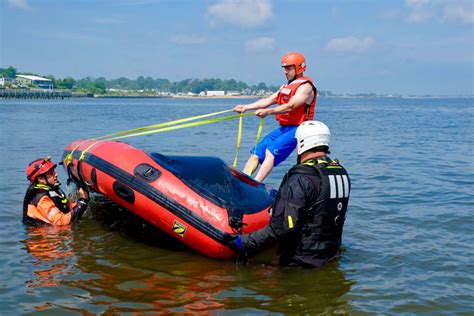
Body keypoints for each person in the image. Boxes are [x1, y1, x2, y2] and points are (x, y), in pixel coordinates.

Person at [227, 121, 351, 268]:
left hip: (301, 261)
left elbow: (281, 227)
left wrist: (242, 242)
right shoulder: (339, 172)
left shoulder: (300, 178)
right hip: (331, 254)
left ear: (303, 144)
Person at [233, 52, 317, 182]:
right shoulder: (285, 87)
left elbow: (291, 106)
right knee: (257, 152)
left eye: (289, 68)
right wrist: (246, 107)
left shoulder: (305, 87)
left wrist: (268, 112)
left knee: (270, 152)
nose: (285, 71)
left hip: (299, 129)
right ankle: (242, 181)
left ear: (299, 68)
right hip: (284, 128)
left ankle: (255, 184)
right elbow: (268, 100)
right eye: (284, 68)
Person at [23, 156, 89, 226]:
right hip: (44, 234)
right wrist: (82, 202)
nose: (56, 174)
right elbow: (62, 222)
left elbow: (68, 206)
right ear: (41, 179)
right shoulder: (42, 200)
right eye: (51, 173)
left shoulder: (50, 190)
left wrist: (82, 201)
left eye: (54, 172)